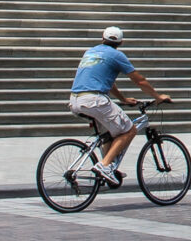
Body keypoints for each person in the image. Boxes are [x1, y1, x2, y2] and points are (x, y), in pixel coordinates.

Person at [68, 26, 168, 186]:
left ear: (102, 38)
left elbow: (109, 83)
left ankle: (108, 169)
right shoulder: (116, 55)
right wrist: (158, 96)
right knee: (129, 130)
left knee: (109, 133)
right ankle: (105, 166)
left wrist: (123, 99)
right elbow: (139, 80)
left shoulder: (90, 52)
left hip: (75, 100)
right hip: (95, 100)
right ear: (121, 42)